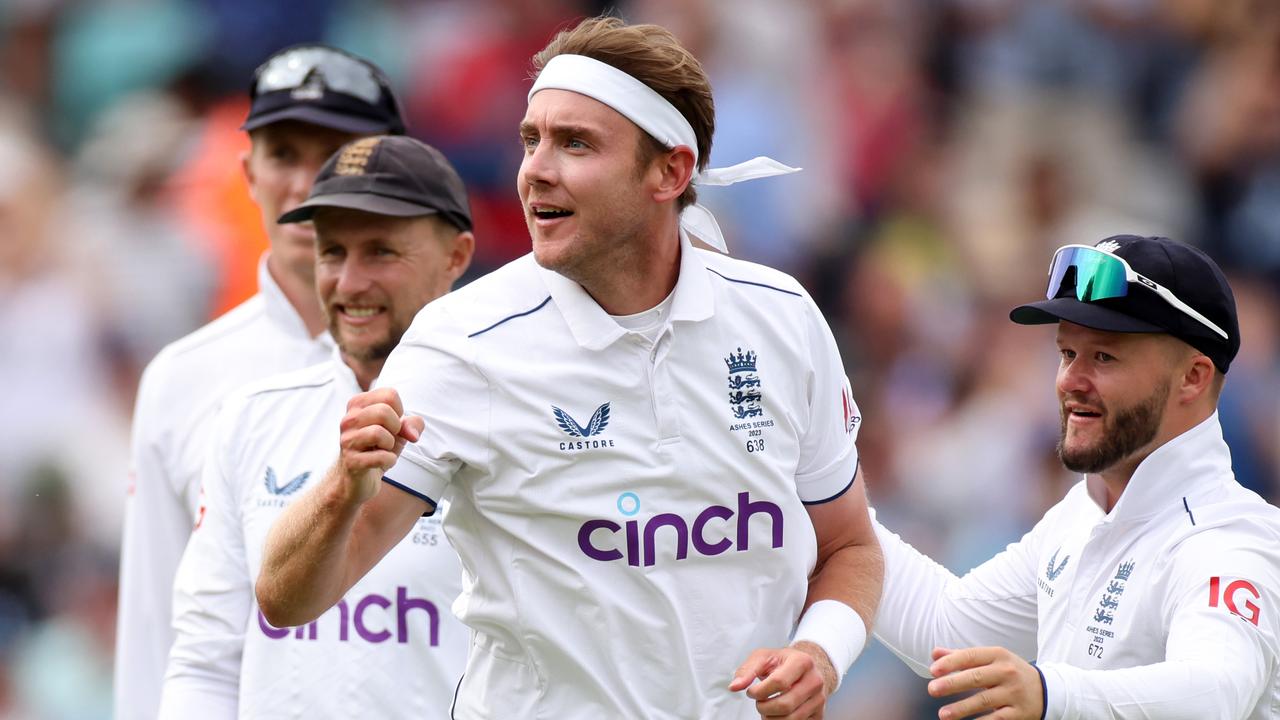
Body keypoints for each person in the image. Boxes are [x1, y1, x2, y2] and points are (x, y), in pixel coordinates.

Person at [256, 16, 884, 720]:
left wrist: (820, 652)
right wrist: (344, 486)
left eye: (575, 143)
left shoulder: (781, 317)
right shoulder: (464, 339)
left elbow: (850, 546)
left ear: (669, 171)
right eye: (532, 140)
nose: (536, 171)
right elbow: (287, 598)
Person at [114, 44, 407, 720]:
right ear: (247, 173)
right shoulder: (183, 380)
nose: (307, 184)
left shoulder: (458, 361)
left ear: (398, 171)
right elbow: (157, 629)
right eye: (284, 155)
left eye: (337, 154)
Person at [872, 235, 1280, 719]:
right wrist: (818, 492)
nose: (1069, 380)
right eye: (1067, 353)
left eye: (1103, 357)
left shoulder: (1231, 541)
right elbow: (943, 629)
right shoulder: (1081, 513)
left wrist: (1051, 696)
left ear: (1193, 377)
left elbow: (1216, 693)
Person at [159, 135, 474, 718]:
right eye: (333, 252)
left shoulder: (505, 420)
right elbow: (207, 659)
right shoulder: (251, 417)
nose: (349, 283)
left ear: (456, 256)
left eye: (380, 251)